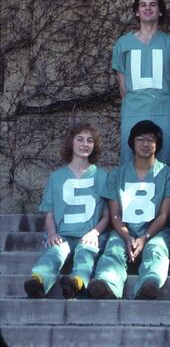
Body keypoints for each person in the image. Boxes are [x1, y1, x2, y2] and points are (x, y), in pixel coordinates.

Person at [87, 120, 170, 299]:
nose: (145, 144)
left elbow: (164, 214)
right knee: (113, 249)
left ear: (157, 144)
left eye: (151, 140)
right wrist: (128, 237)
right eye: (140, 139)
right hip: (124, 230)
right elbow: (115, 213)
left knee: (157, 250)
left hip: (155, 231)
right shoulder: (117, 174)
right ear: (132, 142)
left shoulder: (168, 175)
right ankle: (106, 284)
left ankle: (150, 284)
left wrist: (145, 238)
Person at [24, 123, 109, 299]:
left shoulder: (102, 176)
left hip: (88, 235)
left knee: (85, 254)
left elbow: (107, 215)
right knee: (54, 252)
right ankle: (38, 282)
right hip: (62, 234)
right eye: (80, 139)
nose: (85, 144)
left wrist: (94, 233)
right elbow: (49, 213)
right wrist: (52, 233)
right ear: (71, 142)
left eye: (90, 140)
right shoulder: (56, 177)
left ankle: (76, 283)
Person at [112, 0, 170, 164]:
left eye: (152, 4)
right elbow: (123, 87)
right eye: (143, 5)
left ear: (160, 11)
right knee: (129, 164)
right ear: (137, 11)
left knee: (162, 164)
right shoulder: (123, 43)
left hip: (162, 112)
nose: (147, 8)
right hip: (132, 112)